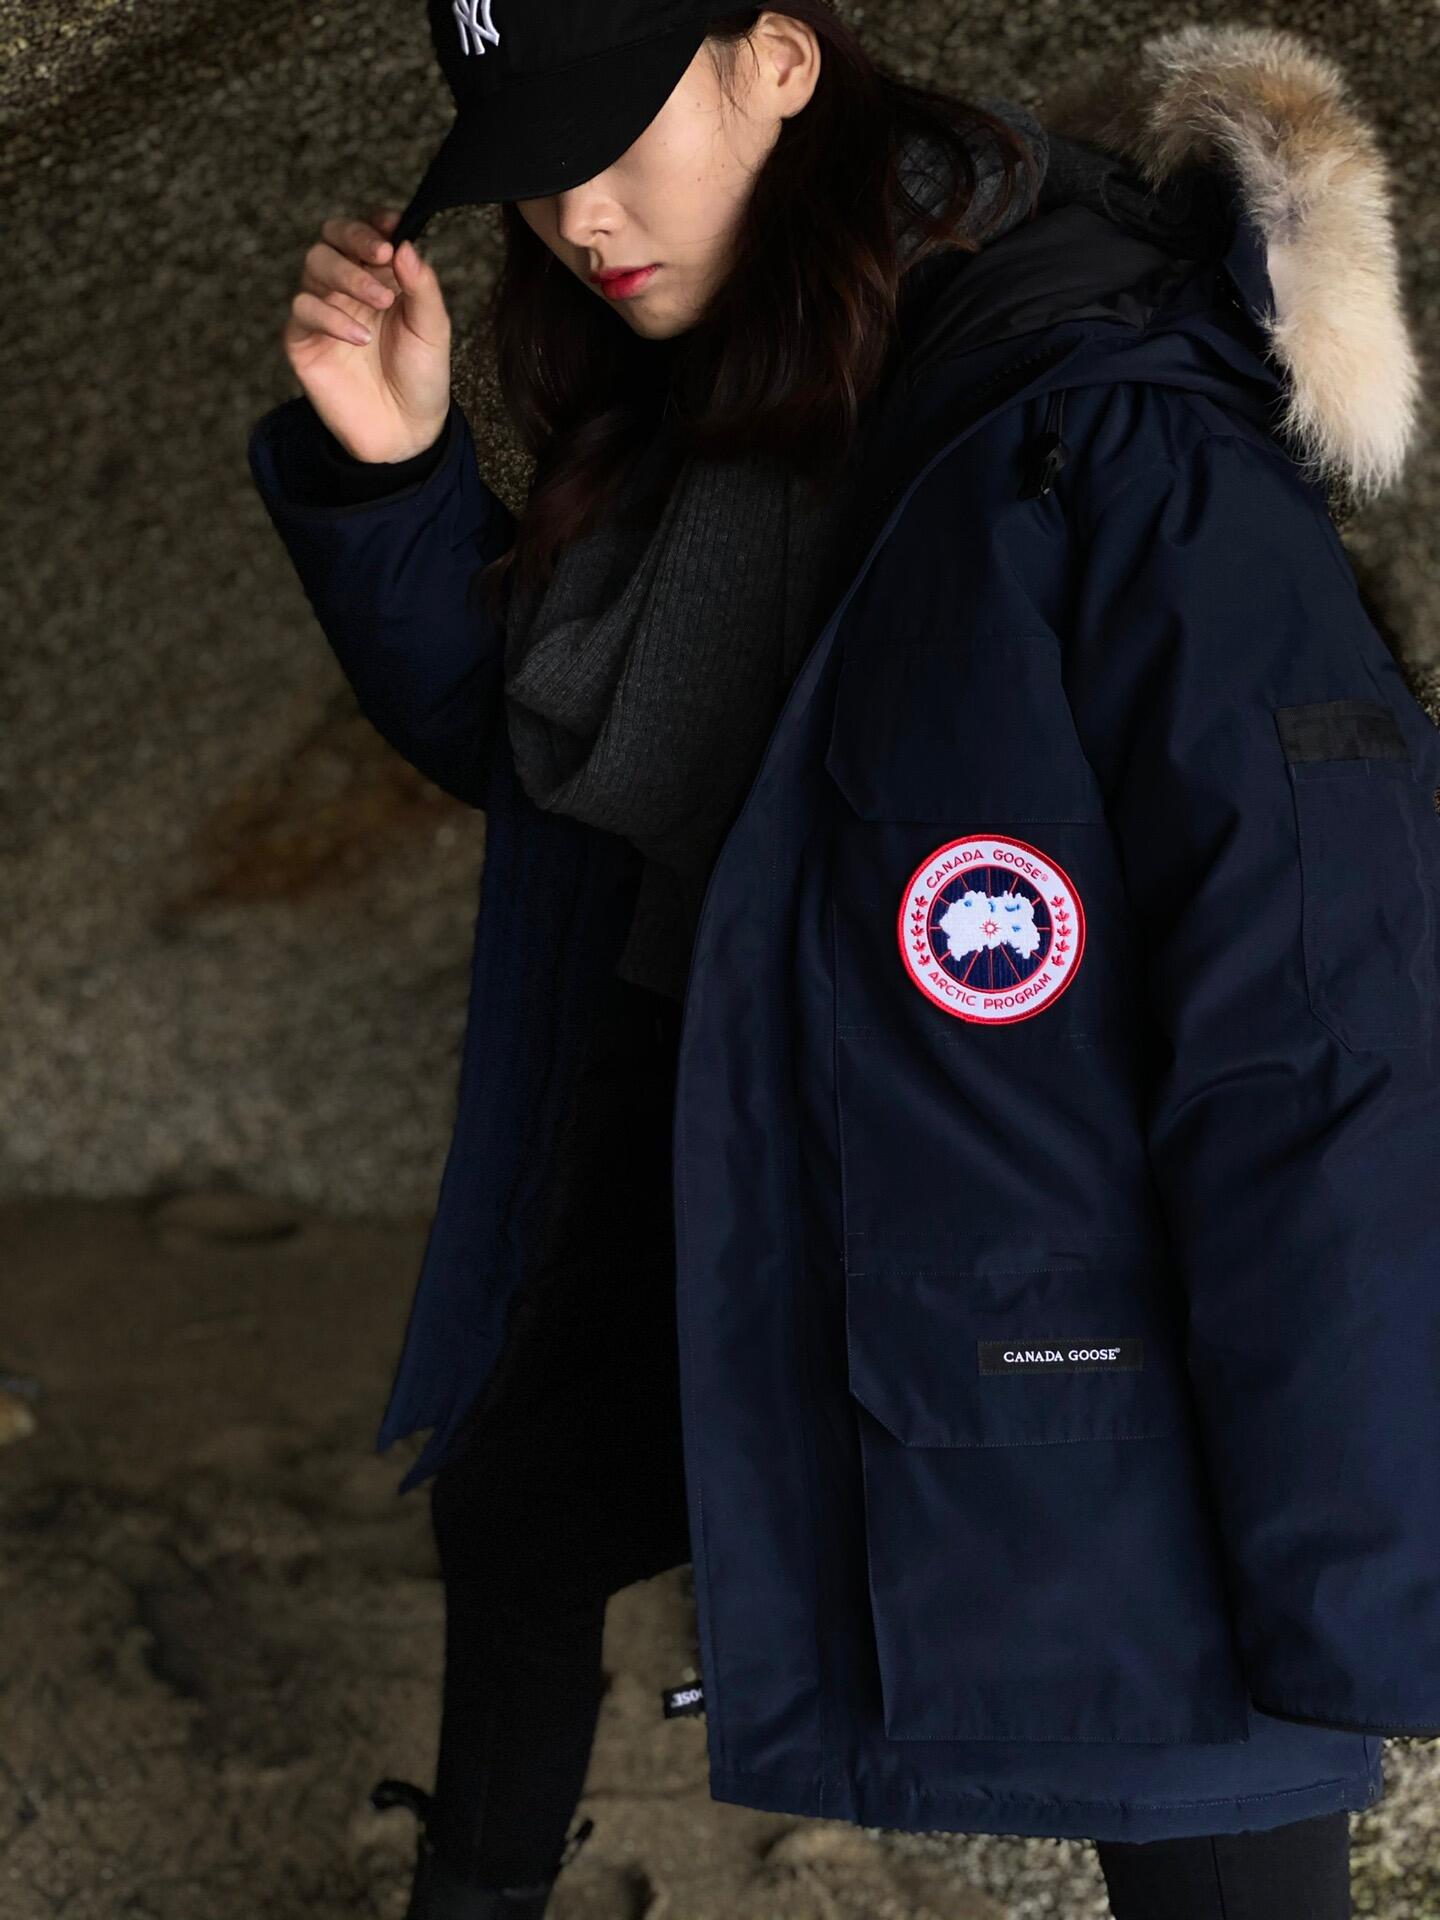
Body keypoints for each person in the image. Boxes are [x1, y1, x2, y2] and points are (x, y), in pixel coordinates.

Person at [247, 6, 1438, 1918]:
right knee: (527, 1508)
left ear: (780, 60)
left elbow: (1311, 997)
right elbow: (569, 761)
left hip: (1055, 1264)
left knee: (1212, 1778)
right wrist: (394, 479)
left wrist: (1368, 1554)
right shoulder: (735, 379)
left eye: (614, 139)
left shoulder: (1108, 416)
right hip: (757, 1136)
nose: (575, 215)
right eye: (531, 174)